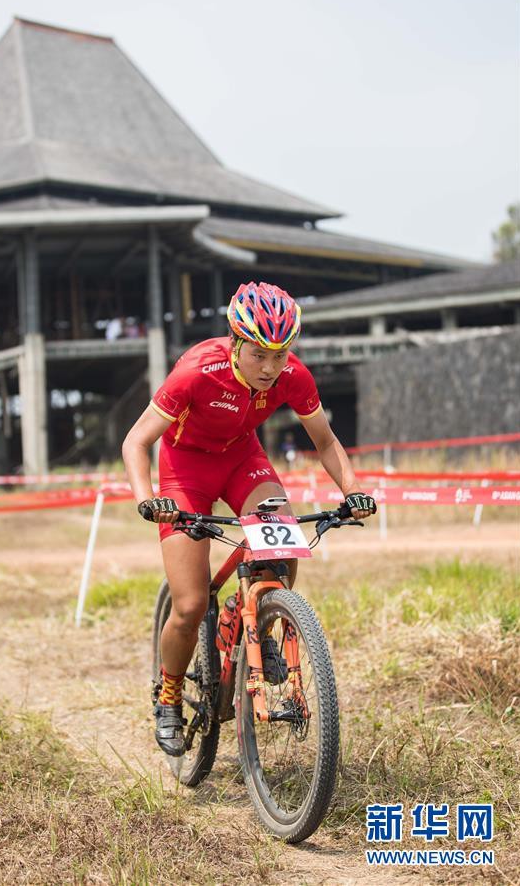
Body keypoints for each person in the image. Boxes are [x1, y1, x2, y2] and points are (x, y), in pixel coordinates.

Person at [122, 282, 376, 757]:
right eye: (259, 354)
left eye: (281, 355)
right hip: (185, 469)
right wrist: (148, 498)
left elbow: (325, 441)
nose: (271, 367)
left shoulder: (293, 376)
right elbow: (135, 441)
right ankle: (169, 694)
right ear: (237, 343)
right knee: (192, 603)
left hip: (243, 460)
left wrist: (352, 490)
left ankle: (257, 624)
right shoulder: (198, 370)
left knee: (282, 544)